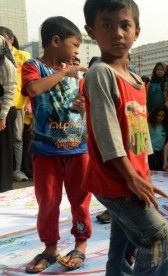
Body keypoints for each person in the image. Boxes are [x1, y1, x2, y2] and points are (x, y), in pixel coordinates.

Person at [82, 0, 168, 275]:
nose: (117, 33)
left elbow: (139, 135)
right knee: (158, 238)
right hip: (115, 180)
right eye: (107, 25)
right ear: (91, 31)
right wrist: (132, 177)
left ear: (137, 31)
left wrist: (143, 173)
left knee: (122, 243)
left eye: (124, 25)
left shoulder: (134, 79)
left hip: (131, 178)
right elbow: (106, 133)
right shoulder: (100, 73)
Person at [21, 16, 91, 273]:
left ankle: (81, 243)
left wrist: (82, 108)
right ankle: (50, 247)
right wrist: (63, 72)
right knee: (48, 201)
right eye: (74, 44)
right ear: (55, 41)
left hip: (78, 148)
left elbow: (81, 107)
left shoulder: (75, 75)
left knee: (80, 199)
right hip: (45, 149)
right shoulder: (34, 66)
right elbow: (34, 89)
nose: (75, 51)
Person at [0, 27, 31, 182]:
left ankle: (16, 170)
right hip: (5, 101)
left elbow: (28, 81)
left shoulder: (22, 55)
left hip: (17, 101)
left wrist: (28, 102)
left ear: (10, 40)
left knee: (17, 137)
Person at [0, 34, 17, 192]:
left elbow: (10, 91)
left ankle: (4, 186)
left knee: (3, 149)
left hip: (4, 110)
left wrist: (2, 116)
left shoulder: (6, 63)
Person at [148, 104, 168, 171]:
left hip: (161, 153)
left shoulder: (166, 126)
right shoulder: (149, 125)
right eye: (158, 115)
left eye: (162, 116)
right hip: (150, 153)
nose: (159, 118)